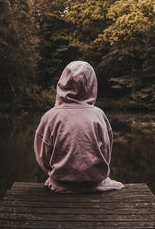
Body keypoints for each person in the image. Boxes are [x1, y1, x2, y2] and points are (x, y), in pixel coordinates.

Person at [34, 61, 124, 193]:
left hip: (60, 183)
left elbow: (42, 156)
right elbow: (106, 151)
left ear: (63, 82)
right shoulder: (99, 115)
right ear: (92, 84)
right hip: (94, 182)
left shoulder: (50, 117)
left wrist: (55, 173)